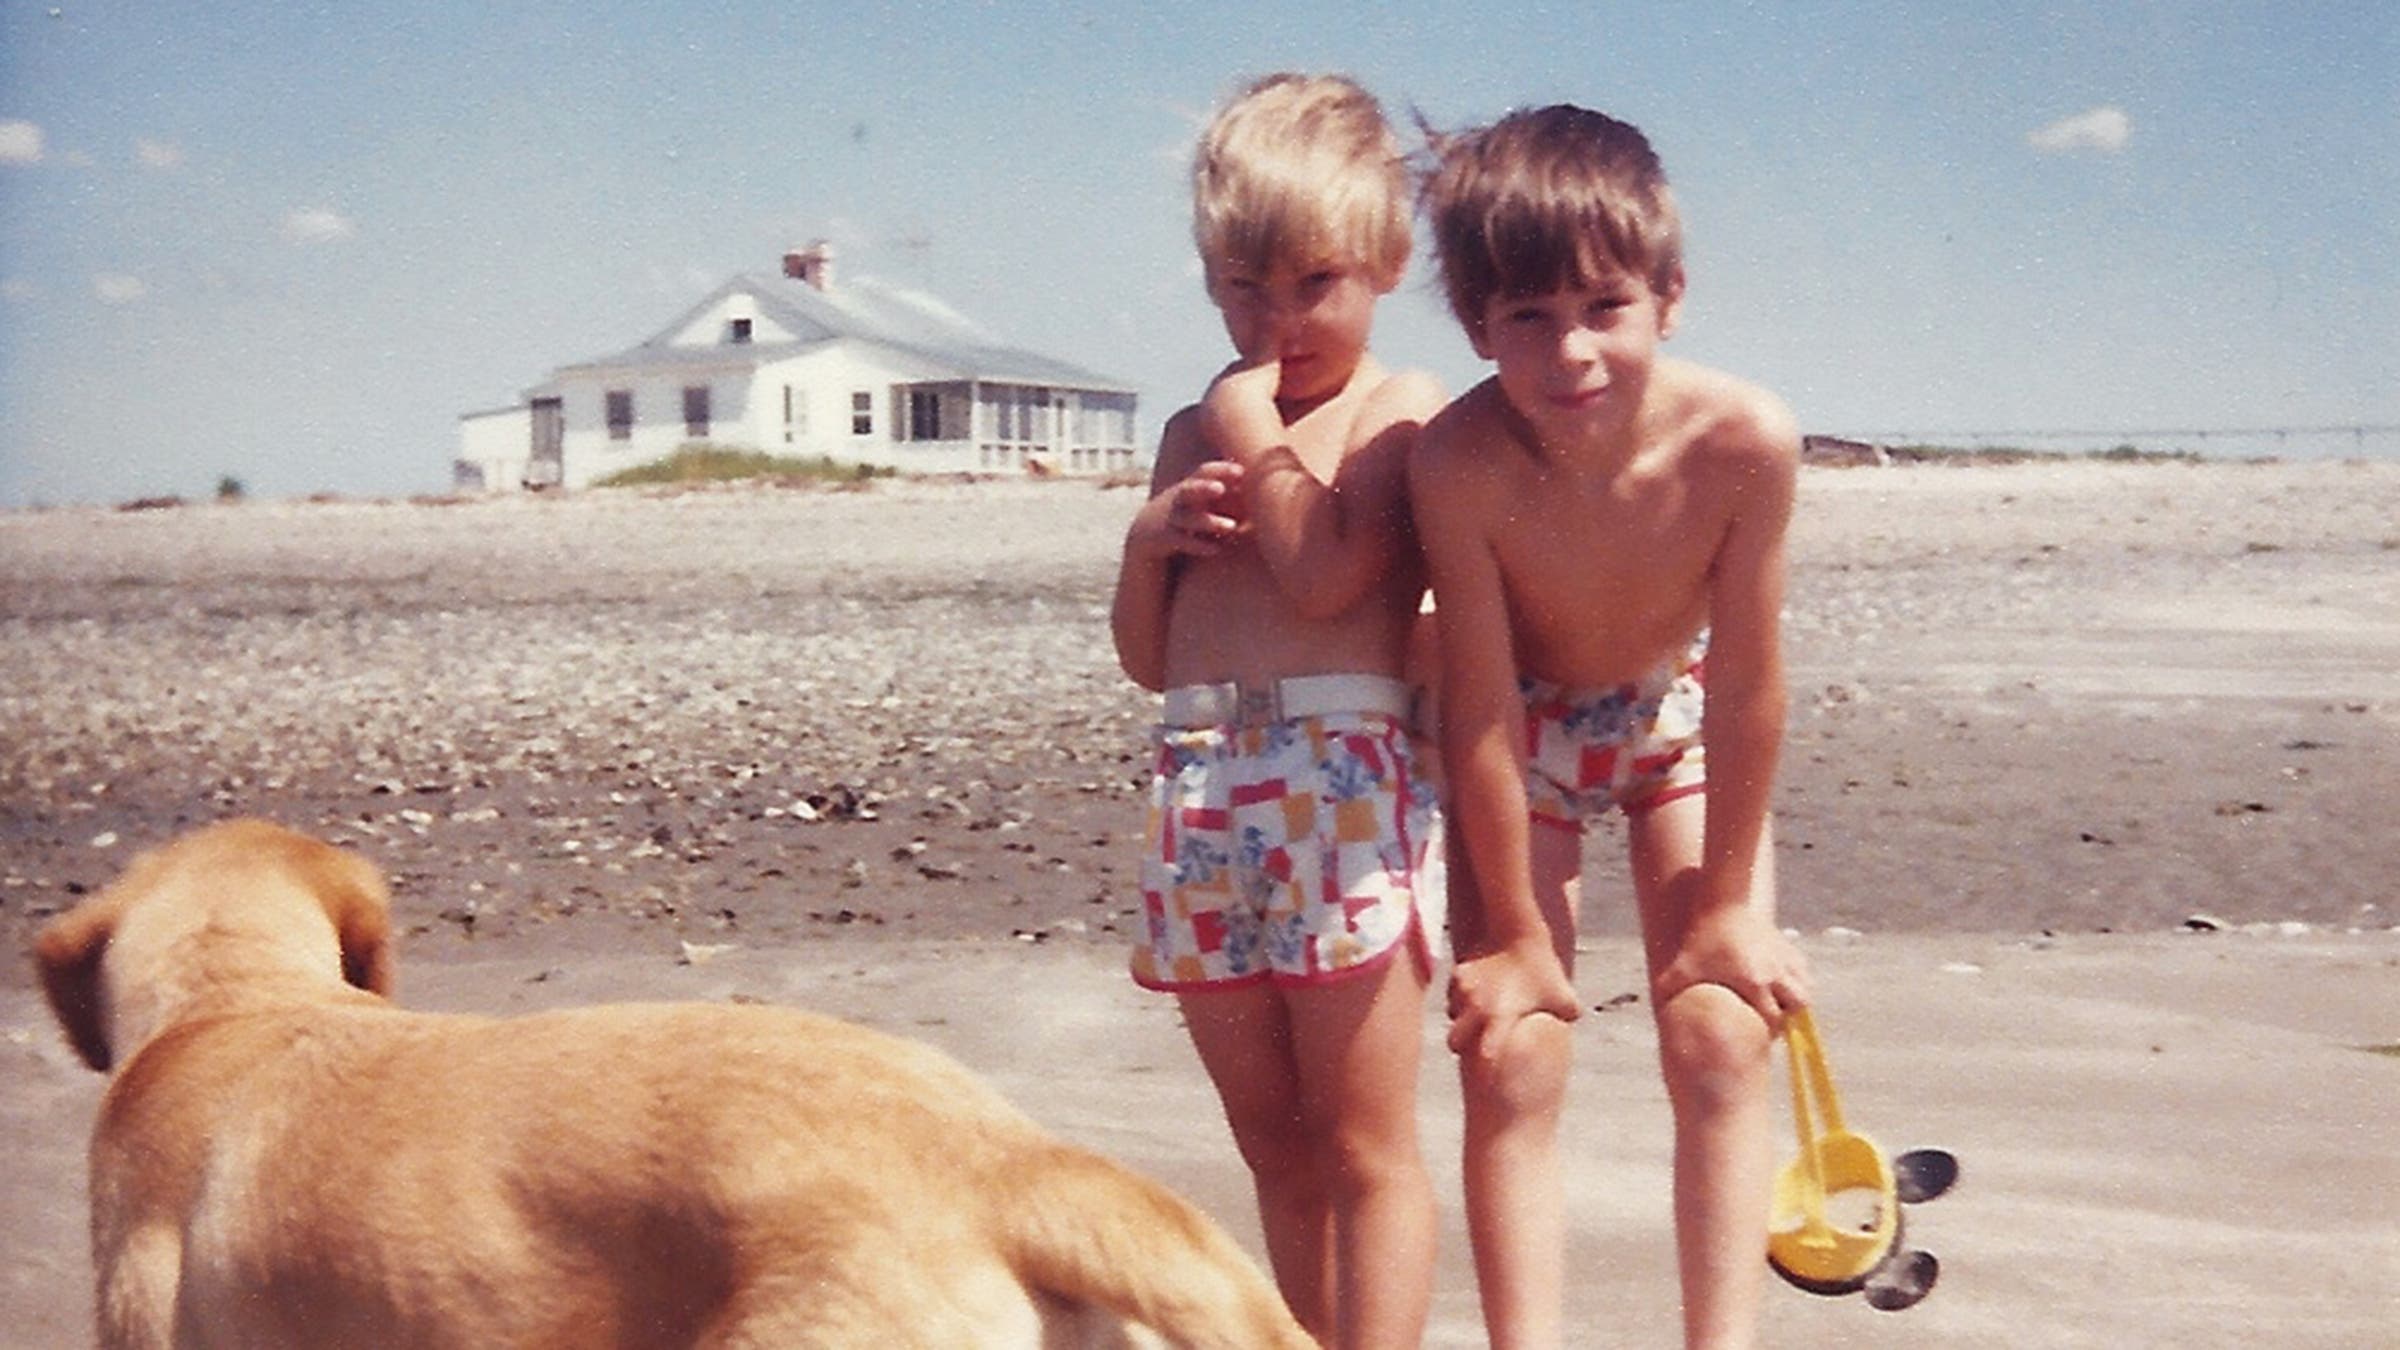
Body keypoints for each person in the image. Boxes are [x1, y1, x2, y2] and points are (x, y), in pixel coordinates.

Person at [1410, 104, 1814, 1350]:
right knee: (1515, 1051)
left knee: (1717, 1032)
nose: (1569, 352)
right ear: (1478, 327)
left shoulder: (1744, 441)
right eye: (1525, 317)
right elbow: (1473, 700)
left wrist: (1732, 907)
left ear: (1668, 296)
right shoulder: (1457, 461)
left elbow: (1748, 682)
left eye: (1604, 308)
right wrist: (1520, 940)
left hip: (1672, 716)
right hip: (1513, 731)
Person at [1108, 71, 1446, 1350]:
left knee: (1365, 1144)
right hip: (1200, 784)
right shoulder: (1192, 426)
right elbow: (1150, 658)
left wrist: (1255, 432)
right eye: (1246, 286)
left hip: (1341, 784)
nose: (1280, 318)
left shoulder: (1393, 412)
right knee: (1273, 1142)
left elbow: (1325, 580)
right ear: (1209, 277)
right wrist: (1151, 541)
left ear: (1384, 264)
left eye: (1316, 283)